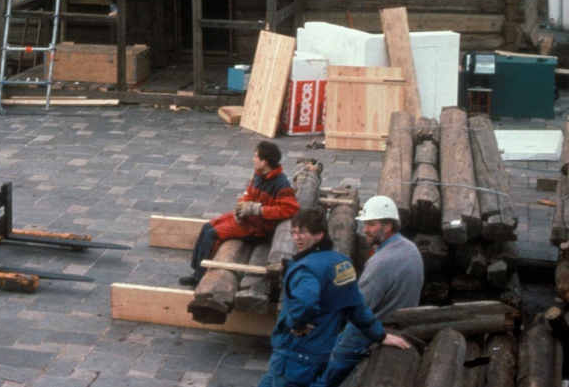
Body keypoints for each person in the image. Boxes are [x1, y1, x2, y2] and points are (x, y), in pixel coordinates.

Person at [259, 208, 410, 387]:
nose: (297, 238)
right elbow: (355, 306)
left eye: (303, 232)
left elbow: (306, 303)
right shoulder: (341, 263)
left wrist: (296, 324)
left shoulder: (306, 269)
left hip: (295, 352)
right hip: (318, 351)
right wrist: (379, 335)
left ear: (319, 235)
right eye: (294, 232)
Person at [313, 195, 424, 387]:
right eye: (365, 224)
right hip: (401, 323)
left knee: (330, 369)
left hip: (372, 329)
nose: (365, 230)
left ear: (387, 226)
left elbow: (359, 307)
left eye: (371, 225)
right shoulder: (410, 249)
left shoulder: (381, 262)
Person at [180, 141, 299, 287]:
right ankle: (196, 268)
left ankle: (200, 276)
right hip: (248, 218)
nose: (253, 159)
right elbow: (249, 193)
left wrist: (257, 209)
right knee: (206, 226)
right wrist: (240, 206)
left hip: (259, 227)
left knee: (212, 234)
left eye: (255, 157)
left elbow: (290, 209)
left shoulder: (281, 185)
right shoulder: (259, 175)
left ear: (264, 162)